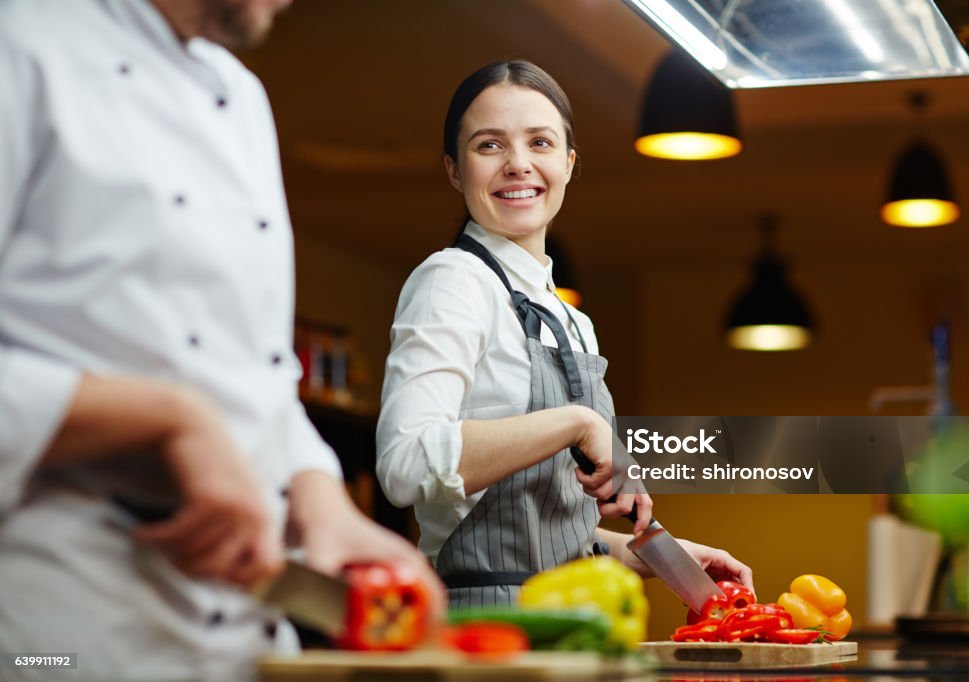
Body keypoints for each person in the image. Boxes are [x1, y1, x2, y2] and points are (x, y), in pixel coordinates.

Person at [0, 0, 443, 679]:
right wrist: (168, 418)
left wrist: (319, 500)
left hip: (243, 640)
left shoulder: (239, 96)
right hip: (60, 633)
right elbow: (194, 398)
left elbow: (251, 375)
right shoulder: (20, 40)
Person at [376, 60, 753, 608]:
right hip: (489, 631)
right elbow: (404, 464)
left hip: (578, 619)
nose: (518, 164)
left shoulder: (574, 323)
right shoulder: (452, 280)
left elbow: (541, 528)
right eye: (489, 145)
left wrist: (651, 553)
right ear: (455, 171)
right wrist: (577, 422)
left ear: (570, 163)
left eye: (540, 143)